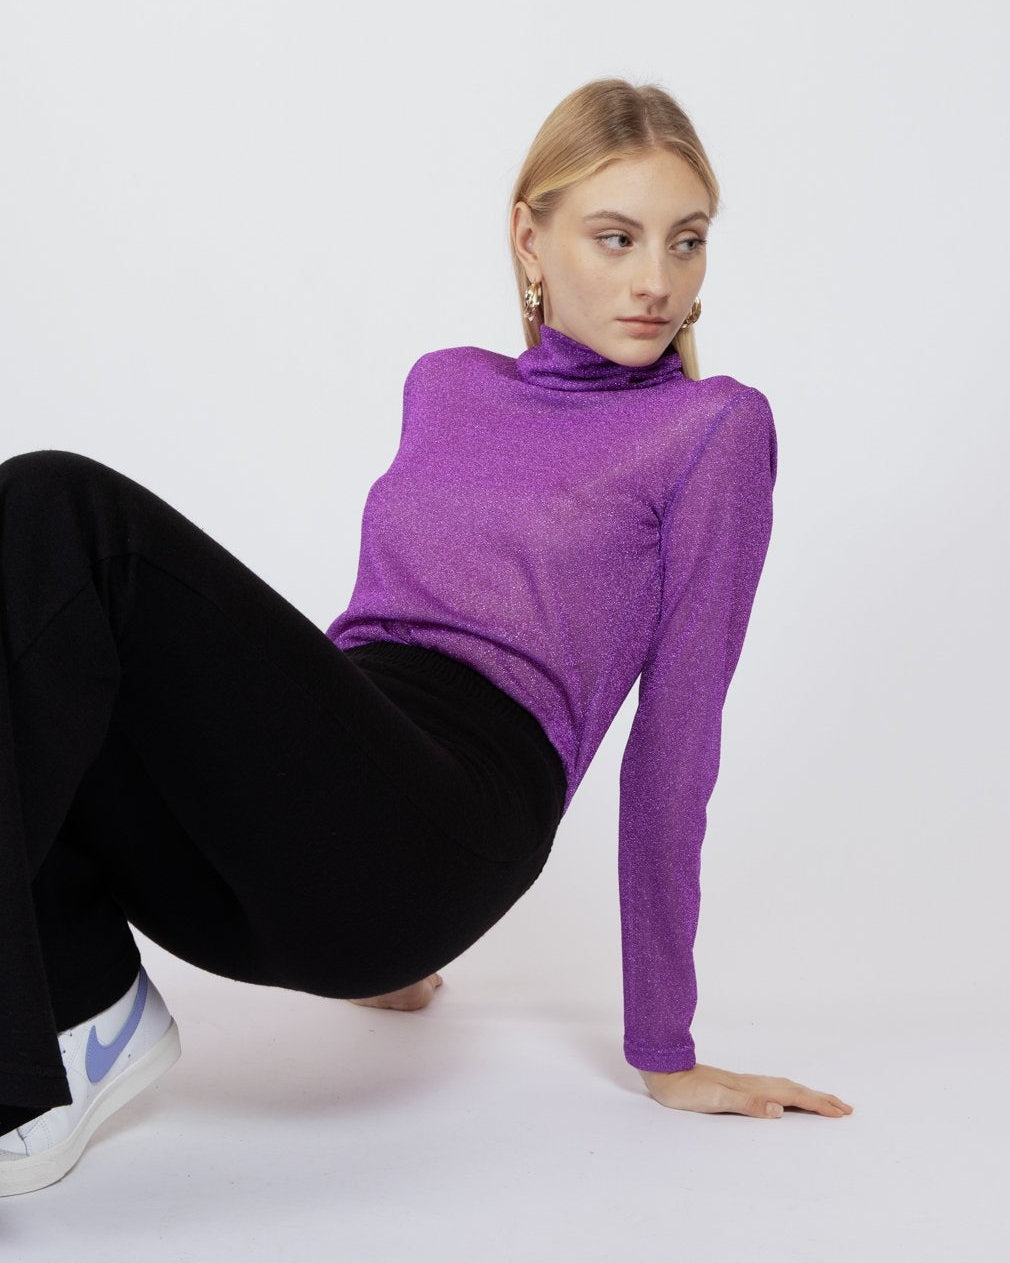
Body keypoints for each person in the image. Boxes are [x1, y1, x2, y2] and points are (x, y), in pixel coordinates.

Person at [0, 77, 853, 1197]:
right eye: (616, 237)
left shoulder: (710, 428)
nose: (656, 279)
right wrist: (283, 810)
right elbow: (354, 637)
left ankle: (23, 1070)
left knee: (53, 505)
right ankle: (83, 1005)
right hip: (320, 835)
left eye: (684, 242)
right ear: (530, 239)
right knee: (37, 631)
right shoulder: (444, 385)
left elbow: (677, 741)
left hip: (450, 824)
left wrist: (666, 1046)